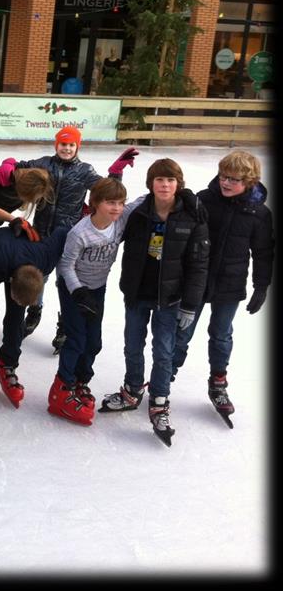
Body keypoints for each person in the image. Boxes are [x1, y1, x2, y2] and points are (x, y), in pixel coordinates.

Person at [99, 159, 210, 447]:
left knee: (163, 352)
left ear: (178, 184)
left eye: (170, 181)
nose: (165, 185)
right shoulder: (137, 213)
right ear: (150, 184)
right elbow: (107, 218)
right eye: (159, 180)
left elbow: (199, 265)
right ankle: (133, 389)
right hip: (137, 294)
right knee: (132, 345)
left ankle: (159, 401)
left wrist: (190, 304)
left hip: (170, 299)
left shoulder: (191, 216)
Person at [0, 126, 137, 344]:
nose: (67, 148)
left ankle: (64, 323)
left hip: (69, 235)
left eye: (72, 145)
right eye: (63, 144)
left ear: (77, 147)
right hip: (41, 232)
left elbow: (107, 191)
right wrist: (9, 165)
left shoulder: (85, 171)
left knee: (65, 278)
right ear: (56, 145)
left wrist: (116, 172)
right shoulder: (44, 163)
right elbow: (20, 167)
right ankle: (35, 309)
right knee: (38, 274)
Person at [170, 151, 273, 428]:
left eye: (234, 180)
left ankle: (218, 382)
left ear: (250, 181)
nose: (226, 183)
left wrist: (261, 286)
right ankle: (165, 375)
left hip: (230, 283)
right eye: (223, 176)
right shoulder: (204, 200)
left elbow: (263, 252)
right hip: (196, 281)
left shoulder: (259, 213)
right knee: (182, 331)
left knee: (221, 334)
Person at [51, 178, 140, 425]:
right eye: (110, 203)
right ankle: (63, 386)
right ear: (95, 204)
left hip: (98, 289)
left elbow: (144, 199)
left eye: (120, 203)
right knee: (77, 338)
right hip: (73, 290)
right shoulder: (80, 233)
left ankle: (81, 380)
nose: (117, 208)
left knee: (94, 342)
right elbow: (66, 265)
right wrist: (78, 293)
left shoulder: (119, 220)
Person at [0, 224, 71, 408]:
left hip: (23, 258)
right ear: (12, 284)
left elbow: (62, 231)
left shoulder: (46, 260)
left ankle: (8, 364)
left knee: (15, 320)